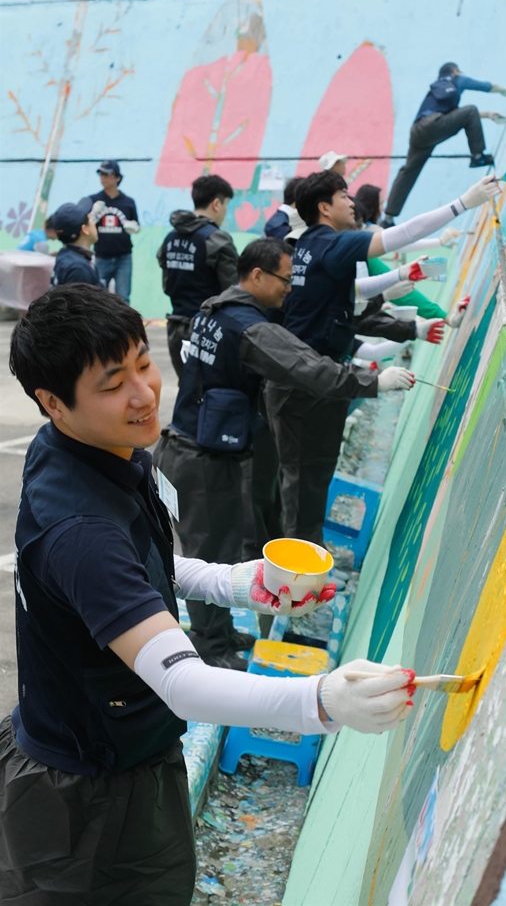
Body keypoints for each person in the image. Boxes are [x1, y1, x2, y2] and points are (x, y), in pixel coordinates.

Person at [2, 282, 416, 903]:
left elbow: (151, 568)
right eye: (113, 385)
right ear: (52, 402)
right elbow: (185, 684)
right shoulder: (80, 528)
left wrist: (237, 582)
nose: (144, 394)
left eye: (144, 364)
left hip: (126, 749)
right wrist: (323, 701)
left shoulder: (108, 452)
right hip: (83, 802)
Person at [153, 239, 413, 668]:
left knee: (220, 548)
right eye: (284, 280)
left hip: (187, 451)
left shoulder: (212, 310)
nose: (289, 289)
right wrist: (372, 383)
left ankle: (219, 633)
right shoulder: (249, 328)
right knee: (206, 553)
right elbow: (306, 367)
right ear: (256, 275)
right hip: (200, 462)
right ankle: (211, 648)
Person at [266, 169, 500, 542]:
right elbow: (401, 235)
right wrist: (462, 204)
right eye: (344, 195)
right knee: (302, 485)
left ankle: (304, 563)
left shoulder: (311, 247)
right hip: (304, 387)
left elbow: (354, 303)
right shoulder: (330, 243)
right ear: (325, 207)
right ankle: (296, 574)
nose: (351, 201)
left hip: (312, 382)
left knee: (310, 481)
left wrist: (413, 312)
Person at [384, 62, 506, 221]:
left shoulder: (436, 91)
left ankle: (388, 218)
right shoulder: (456, 79)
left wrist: (488, 115)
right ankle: (478, 156)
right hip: (433, 125)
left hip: (418, 131)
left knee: (409, 171)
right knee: (470, 109)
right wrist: (505, 90)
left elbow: (455, 117)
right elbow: (484, 86)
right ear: (454, 70)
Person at [157, 174, 238, 378]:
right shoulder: (216, 239)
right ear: (216, 204)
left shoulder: (170, 238)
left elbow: (167, 285)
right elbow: (233, 291)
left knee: (187, 392)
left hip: (175, 330)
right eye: (226, 204)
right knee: (211, 395)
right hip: (208, 331)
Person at [90, 160, 139, 303]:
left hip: (123, 257)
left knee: (123, 298)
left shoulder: (128, 202)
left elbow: (136, 225)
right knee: (97, 298)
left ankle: (123, 326)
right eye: (101, 174)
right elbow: (86, 226)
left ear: (118, 177)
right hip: (101, 256)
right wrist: (91, 217)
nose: (103, 177)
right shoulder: (94, 200)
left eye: (108, 174)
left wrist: (134, 227)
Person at [50, 198, 101, 287]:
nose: (94, 224)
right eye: (90, 219)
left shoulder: (66, 256)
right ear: (84, 229)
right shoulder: (78, 269)